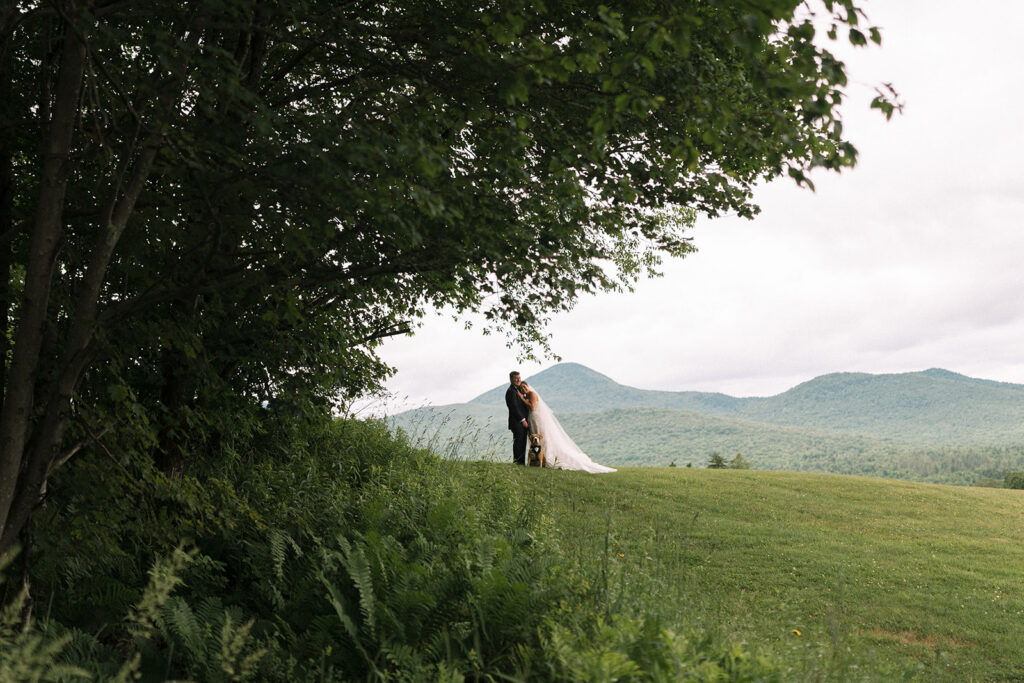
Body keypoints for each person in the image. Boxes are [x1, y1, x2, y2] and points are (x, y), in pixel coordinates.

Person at [518, 381, 616, 473]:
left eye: (524, 386)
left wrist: (522, 398)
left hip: (537, 418)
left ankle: (546, 459)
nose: (523, 389)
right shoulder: (527, 395)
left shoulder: (532, 394)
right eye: (521, 388)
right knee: (535, 438)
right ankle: (538, 460)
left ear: (528, 386)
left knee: (543, 438)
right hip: (532, 418)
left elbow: (532, 406)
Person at [505, 371, 530, 465]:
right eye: (516, 378)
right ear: (511, 379)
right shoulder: (511, 391)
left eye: (519, 378)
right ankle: (518, 462)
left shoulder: (518, 390)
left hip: (521, 421)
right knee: (518, 442)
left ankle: (521, 462)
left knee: (523, 442)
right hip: (517, 422)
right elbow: (514, 408)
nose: (519, 380)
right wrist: (522, 420)